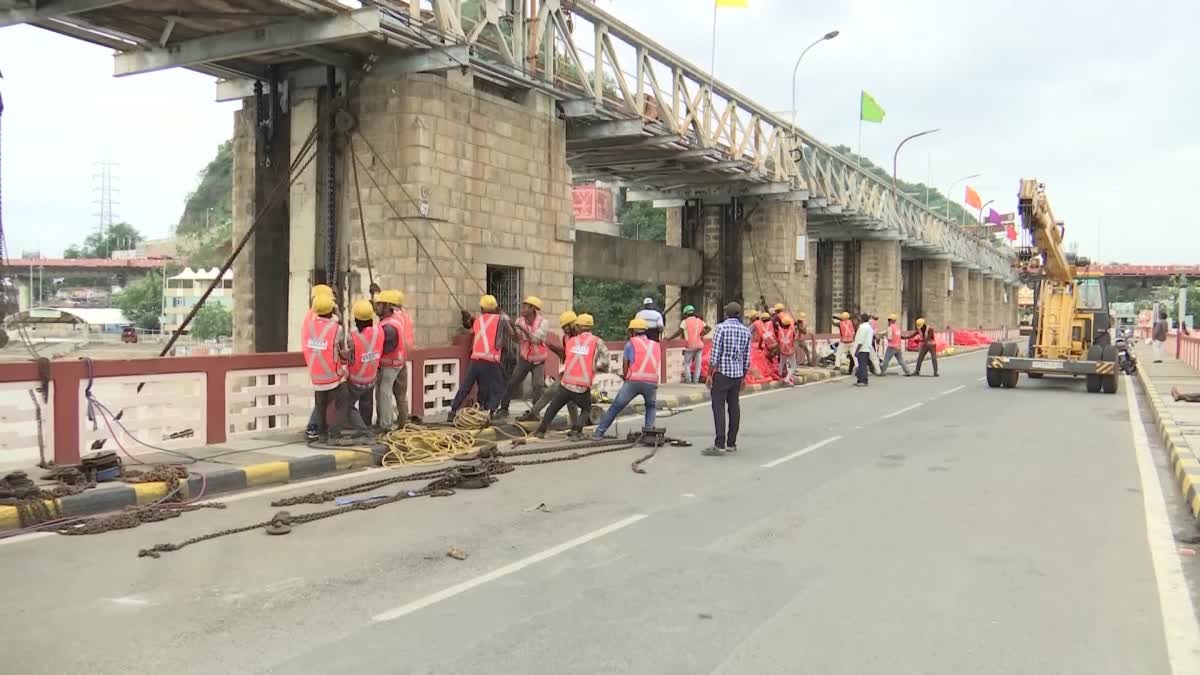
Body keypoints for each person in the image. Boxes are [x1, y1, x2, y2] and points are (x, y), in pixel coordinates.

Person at [534, 313, 609, 439]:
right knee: (586, 409)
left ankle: (540, 430)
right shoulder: (597, 342)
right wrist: (596, 367)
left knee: (553, 407)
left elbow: (568, 357)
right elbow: (605, 363)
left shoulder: (572, 341)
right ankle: (576, 430)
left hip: (566, 382)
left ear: (578, 327)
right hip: (582, 385)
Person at [592, 318, 659, 438]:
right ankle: (649, 433)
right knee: (650, 406)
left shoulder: (630, 344)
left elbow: (625, 365)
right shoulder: (655, 345)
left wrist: (625, 377)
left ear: (632, 331)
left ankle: (599, 433)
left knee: (616, 406)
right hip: (651, 382)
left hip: (633, 381)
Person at [301, 292, 354, 440]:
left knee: (320, 404)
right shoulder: (337, 329)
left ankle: (317, 431)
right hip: (332, 376)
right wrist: (336, 311)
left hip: (316, 376)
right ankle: (334, 432)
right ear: (331, 310)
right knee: (343, 401)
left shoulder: (307, 327)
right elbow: (338, 329)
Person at [448, 295, 510, 419]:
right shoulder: (501, 320)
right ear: (496, 307)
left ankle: (453, 411)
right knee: (498, 387)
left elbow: (470, 323)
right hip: (491, 360)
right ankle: (490, 412)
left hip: (475, 360)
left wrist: (467, 317)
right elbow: (511, 332)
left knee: (466, 386)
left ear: (482, 308)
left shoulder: (478, 321)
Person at [703, 302, 751, 456]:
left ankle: (719, 444)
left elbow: (715, 354)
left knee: (718, 407)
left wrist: (709, 374)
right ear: (739, 314)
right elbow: (747, 358)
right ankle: (731, 443)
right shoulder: (746, 331)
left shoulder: (721, 328)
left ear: (726, 314)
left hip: (722, 374)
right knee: (734, 407)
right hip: (737, 375)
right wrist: (744, 376)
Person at [519, 310, 581, 427]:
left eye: (566, 327)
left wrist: (553, 347)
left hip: (578, 374)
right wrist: (553, 348)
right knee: (550, 393)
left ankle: (575, 426)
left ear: (572, 324)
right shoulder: (566, 338)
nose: (564, 330)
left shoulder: (580, 338)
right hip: (568, 372)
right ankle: (533, 413)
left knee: (571, 402)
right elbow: (565, 355)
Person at [497, 296, 550, 419]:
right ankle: (504, 408)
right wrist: (511, 327)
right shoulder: (519, 322)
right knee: (513, 382)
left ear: (532, 309)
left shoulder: (543, 323)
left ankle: (534, 411)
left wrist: (522, 330)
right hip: (524, 358)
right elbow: (516, 339)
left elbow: (535, 340)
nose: (522, 309)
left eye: (525, 307)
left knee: (538, 385)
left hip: (539, 360)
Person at [304, 284, 338, 441]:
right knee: (329, 401)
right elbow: (335, 327)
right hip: (329, 370)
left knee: (320, 401)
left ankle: (317, 427)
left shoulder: (309, 319)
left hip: (315, 367)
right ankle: (318, 427)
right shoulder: (332, 325)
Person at [373, 290, 410, 428]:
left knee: (384, 393)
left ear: (388, 305)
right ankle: (404, 422)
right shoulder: (398, 318)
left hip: (389, 364)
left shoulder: (387, 327)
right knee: (400, 395)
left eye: (379, 305)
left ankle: (386, 425)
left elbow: (383, 348)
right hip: (400, 360)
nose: (376, 308)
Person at [345, 299, 384, 434]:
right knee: (366, 404)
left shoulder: (352, 336)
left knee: (346, 405)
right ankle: (366, 427)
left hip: (356, 380)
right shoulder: (379, 331)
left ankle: (359, 429)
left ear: (356, 319)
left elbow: (350, 354)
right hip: (372, 377)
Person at [667, 304, 710, 384]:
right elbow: (709, 328)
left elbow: (678, 332)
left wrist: (669, 339)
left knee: (687, 363)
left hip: (690, 345)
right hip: (700, 345)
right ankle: (696, 381)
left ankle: (688, 380)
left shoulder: (685, 321)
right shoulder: (699, 321)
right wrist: (702, 334)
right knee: (698, 364)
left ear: (686, 313)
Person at [853, 312, 875, 386]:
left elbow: (861, 340)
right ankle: (862, 380)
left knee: (862, 365)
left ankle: (862, 381)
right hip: (867, 348)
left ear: (861, 319)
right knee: (864, 365)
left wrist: (857, 350)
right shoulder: (869, 327)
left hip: (862, 348)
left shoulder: (862, 327)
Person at [775, 312, 798, 384]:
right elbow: (795, 341)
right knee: (793, 366)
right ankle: (787, 379)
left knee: (781, 363)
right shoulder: (792, 331)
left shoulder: (780, 330)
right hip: (790, 351)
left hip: (782, 350)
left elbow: (778, 339)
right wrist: (794, 350)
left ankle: (779, 376)